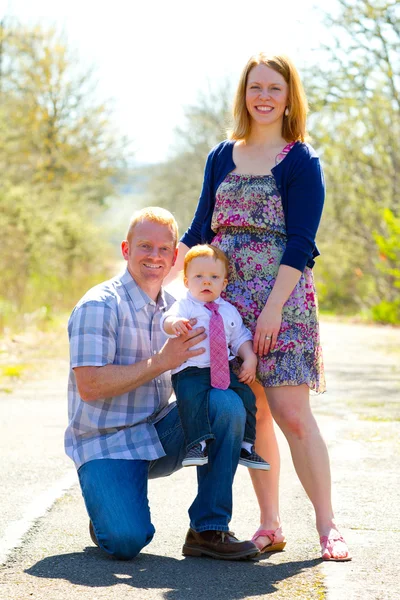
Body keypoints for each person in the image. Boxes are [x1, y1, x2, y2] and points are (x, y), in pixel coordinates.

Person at [165, 53, 351, 561]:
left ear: (289, 97)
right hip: (224, 301)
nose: (263, 97)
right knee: (256, 415)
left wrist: (271, 311)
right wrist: (157, 273)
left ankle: (327, 525)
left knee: (292, 414)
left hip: (281, 302)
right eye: (255, 88)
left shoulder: (300, 160)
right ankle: (269, 525)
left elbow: (300, 244)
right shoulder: (222, 155)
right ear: (243, 96)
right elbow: (200, 230)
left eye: (274, 88)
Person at [65, 206, 260, 562]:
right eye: (144, 246)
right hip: (107, 442)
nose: (154, 256)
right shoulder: (99, 305)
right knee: (126, 541)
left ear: (174, 258)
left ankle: (208, 528)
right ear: (126, 250)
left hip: (158, 432)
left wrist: (248, 357)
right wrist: (162, 362)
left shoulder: (181, 307)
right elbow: (90, 385)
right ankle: (110, 506)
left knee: (226, 404)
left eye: (163, 249)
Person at [161, 243, 270, 470]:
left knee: (248, 398)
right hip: (191, 369)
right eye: (198, 276)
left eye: (214, 276)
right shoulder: (185, 306)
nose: (206, 281)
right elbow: (166, 321)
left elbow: (240, 337)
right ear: (186, 282)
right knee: (191, 398)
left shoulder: (229, 310)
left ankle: (246, 446)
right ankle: (197, 444)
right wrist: (175, 324)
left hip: (223, 370)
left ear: (224, 283)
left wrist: (250, 358)